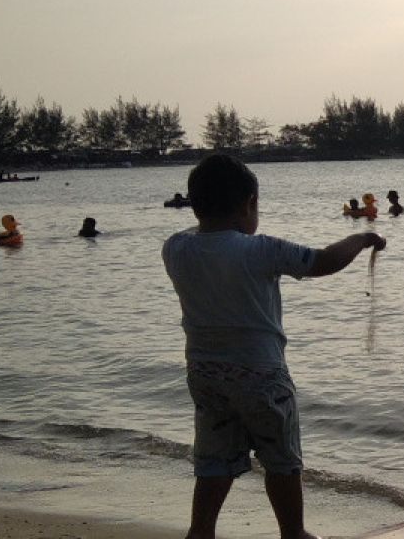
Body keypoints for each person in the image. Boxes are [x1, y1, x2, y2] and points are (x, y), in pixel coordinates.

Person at [162, 154, 386, 539]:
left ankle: (201, 531)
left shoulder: (176, 248)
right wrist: (363, 238)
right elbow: (323, 261)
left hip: (206, 375)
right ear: (250, 203)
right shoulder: (260, 250)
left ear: (195, 204)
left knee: (214, 460)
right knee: (281, 459)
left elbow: (205, 234)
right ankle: (293, 532)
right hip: (261, 375)